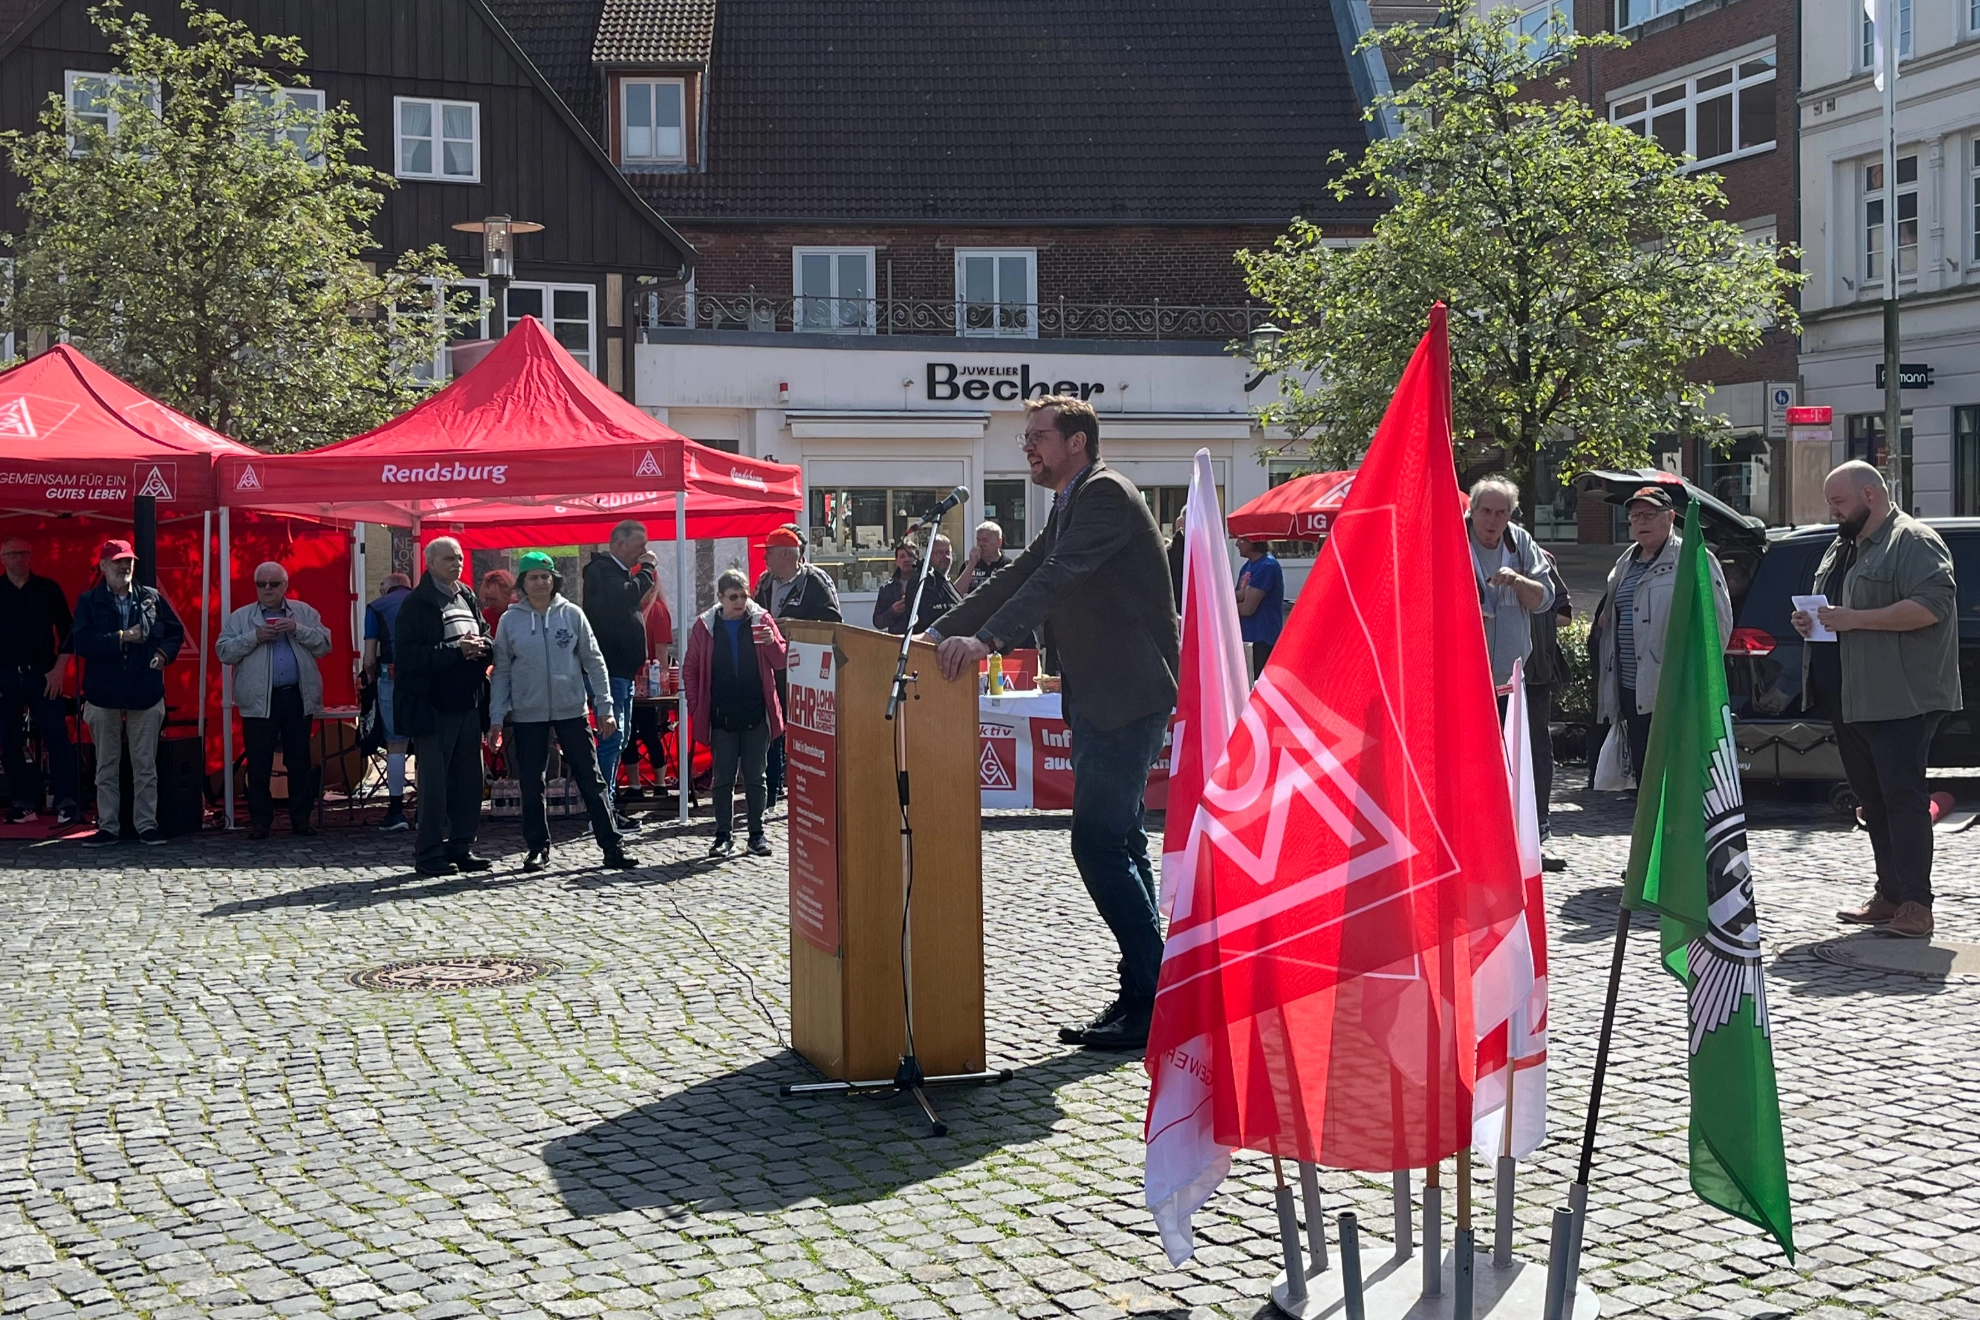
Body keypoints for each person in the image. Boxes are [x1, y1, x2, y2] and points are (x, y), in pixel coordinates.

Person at [925, 395, 1179, 1051]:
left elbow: (1058, 579)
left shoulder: (1105, 495)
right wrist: (935, 632)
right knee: (1118, 842)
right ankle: (1147, 993)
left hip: (1125, 696)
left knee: (1097, 842)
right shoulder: (1069, 502)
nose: (1030, 448)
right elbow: (1022, 575)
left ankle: (1155, 995)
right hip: (1102, 696)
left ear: (1076, 441)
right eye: (1026, 439)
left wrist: (986, 642)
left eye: (1039, 437)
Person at [1793, 461, 1961, 940]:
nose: (1833, 512)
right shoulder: (1842, 546)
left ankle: (1916, 904)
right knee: (1872, 803)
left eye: (1839, 502)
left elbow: (1929, 607)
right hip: (1850, 696)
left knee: (1903, 800)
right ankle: (1889, 893)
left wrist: (1855, 618)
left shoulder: (1913, 541)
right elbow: (1834, 612)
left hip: (1899, 697)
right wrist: (1811, 623)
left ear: (1870, 493)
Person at [489, 552, 638, 872]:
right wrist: (497, 717)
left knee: (591, 780)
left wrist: (605, 707)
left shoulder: (572, 614)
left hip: (572, 711)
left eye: (545, 576)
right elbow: (500, 671)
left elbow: (594, 661)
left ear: (554, 579)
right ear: (523, 583)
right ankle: (537, 848)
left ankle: (612, 846)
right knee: (531, 783)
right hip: (528, 714)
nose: (540, 582)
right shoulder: (510, 620)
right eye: (533, 577)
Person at [1595, 484, 1732, 781]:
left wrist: (1694, 683)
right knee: (1647, 777)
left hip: (1673, 690)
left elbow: (1718, 627)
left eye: (1649, 514)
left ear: (1670, 517)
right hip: (1632, 691)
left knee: (1677, 778)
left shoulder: (1694, 559)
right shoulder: (1625, 564)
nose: (1640, 521)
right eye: (1635, 516)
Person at [70, 539, 184, 847]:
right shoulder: (89, 601)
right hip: (103, 694)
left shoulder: (151, 598)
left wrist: (162, 652)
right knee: (106, 764)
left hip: (144, 693)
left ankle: (146, 825)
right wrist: (120, 638)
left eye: (129, 561)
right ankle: (109, 826)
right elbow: (81, 642)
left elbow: (175, 633)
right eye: (119, 561)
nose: (125, 567)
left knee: (145, 764)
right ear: (104, 566)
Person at [394, 537, 494, 877]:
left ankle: (461, 845)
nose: (458, 564)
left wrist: (484, 646)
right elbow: (407, 658)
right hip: (434, 707)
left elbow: (486, 632)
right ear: (431, 563)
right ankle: (430, 853)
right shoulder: (417, 603)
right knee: (435, 785)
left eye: (461, 558)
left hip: (469, 703)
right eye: (450, 559)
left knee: (470, 779)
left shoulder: (466, 595)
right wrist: (455, 653)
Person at [216, 562, 333, 839]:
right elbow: (223, 651)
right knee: (259, 762)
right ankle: (260, 821)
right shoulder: (241, 617)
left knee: (299, 761)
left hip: (296, 696)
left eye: (273, 584)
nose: (267, 589)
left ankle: (301, 821)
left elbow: (325, 645)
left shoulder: (304, 612)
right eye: (261, 584)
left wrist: (296, 629)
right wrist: (253, 637)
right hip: (259, 699)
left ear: (285, 585)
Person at [684, 568, 789, 858]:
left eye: (744, 596)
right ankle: (722, 836)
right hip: (722, 714)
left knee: (756, 776)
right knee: (723, 778)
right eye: (734, 597)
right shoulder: (706, 626)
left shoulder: (761, 619)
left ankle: (757, 834)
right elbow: (690, 668)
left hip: (756, 712)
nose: (740, 602)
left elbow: (781, 661)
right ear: (720, 598)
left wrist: (771, 641)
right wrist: (696, 706)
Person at [753, 526, 843, 803]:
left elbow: (834, 623)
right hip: (773, 665)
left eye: (769, 553)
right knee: (773, 722)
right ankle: (773, 784)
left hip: (808, 668)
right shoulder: (765, 581)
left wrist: (795, 627)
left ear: (784, 554)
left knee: (807, 726)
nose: (765, 558)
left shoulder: (815, 581)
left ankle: (814, 782)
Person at [581, 520, 658, 832]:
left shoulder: (619, 572)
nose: (645, 551)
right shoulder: (602, 571)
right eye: (639, 545)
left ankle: (608, 807)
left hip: (623, 672)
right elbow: (625, 598)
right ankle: (602, 811)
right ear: (618, 543)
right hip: (609, 672)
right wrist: (647, 571)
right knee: (611, 738)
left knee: (622, 737)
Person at [0, 536, 79, 825]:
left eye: (23, 553)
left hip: (44, 675)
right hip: (6, 677)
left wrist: (59, 669)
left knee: (57, 737)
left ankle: (66, 801)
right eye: (12, 554)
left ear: (31, 556)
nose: (19, 559)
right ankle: (22, 803)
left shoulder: (48, 589)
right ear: (3, 558)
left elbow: (69, 632)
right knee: (8, 741)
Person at [1468, 477, 1556, 697]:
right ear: (1473, 509)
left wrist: (1518, 581)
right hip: (1463, 678)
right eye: (1486, 511)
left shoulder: (1521, 542)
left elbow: (1545, 600)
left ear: (1510, 515)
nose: (1492, 520)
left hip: (1511, 682)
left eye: (1500, 513)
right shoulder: (1451, 537)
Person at [1526, 548, 1572, 863]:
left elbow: (1564, 615)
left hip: (1535, 677)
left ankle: (1538, 831)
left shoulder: (1542, 558)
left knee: (1537, 753)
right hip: (1487, 676)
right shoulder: (1467, 552)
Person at [362, 572, 415, 831]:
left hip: (392, 677)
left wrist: (370, 679)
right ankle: (428, 809)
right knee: (427, 744)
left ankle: (395, 811)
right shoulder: (424, 600)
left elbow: (369, 659)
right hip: (426, 677)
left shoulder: (375, 607)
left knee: (396, 744)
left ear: (387, 587)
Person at [1234, 539, 1286, 679]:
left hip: (1262, 640)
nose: (1237, 544)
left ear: (1252, 541)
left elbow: (1247, 608)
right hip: (1247, 639)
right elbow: (1239, 594)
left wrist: (1223, 610)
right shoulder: (1247, 567)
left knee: (1255, 686)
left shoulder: (1267, 566)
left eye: (1240, 539)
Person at [956, 520, 1015, 593]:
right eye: (978, 540)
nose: (981, 544)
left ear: (999, 542)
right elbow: (956, 594)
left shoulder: (1009, 566)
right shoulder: (968, 565)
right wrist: (971, 565)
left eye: (985, 540)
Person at [477, 568, 516, 636]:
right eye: (487, 600)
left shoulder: (520, 611)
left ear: (508, 594)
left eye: (493, 599)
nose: (489, 604)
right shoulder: (487, 615)